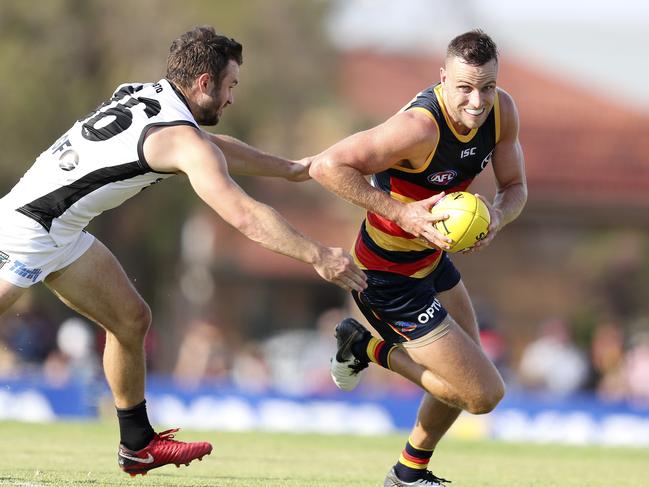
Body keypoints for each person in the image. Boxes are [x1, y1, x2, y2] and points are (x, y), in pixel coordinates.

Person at [0, 26, 366, 477]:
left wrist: (289, 169)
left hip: (63, 230)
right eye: (230, 85)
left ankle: (137, 444)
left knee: (131, 319)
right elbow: (245, 216)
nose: (232, 98)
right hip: (28, 231)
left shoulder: (146, 95)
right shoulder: (178, 137)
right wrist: (318, 255)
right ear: (204, 83)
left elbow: (211, 147)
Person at [310, 30, 527, 486]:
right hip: (385, 277)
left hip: (432, 264)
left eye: (487, 86)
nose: (476, 101)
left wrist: (496, 219)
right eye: (464, 87)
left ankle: (409, 473)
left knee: (473, 372)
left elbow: (515, 188)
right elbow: (328, 166)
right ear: (443, 77)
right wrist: (400, 213)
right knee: (482, 395)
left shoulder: (502, 112)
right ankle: (364, 345)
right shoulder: (418, 128)